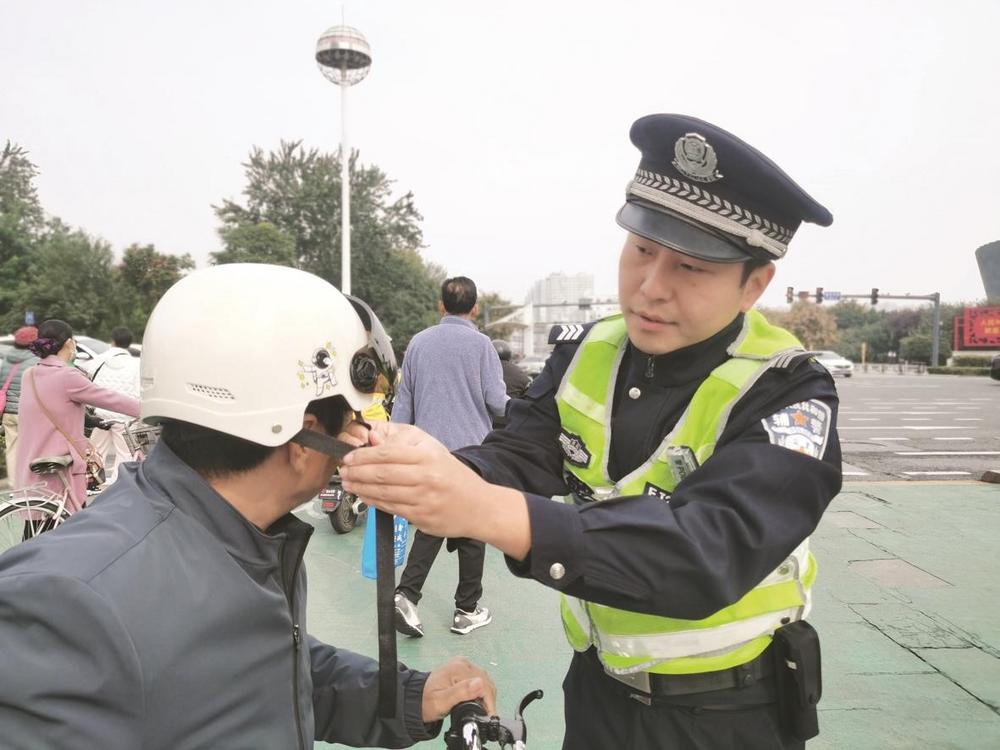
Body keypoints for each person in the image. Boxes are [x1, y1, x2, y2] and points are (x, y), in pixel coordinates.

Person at [341, 114, 842, 749]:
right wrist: (437, 472)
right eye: (642, 250)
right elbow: (523, 446)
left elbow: (708, 550)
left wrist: (484, 508)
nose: (650, 288)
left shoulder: (789, 390)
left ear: (755, 283)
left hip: (731, 711)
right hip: (598, 688)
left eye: (691, 268)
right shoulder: (589, 350)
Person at [0, 265, 495, 749]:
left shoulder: (249, 534)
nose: (363, 436)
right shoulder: (65, 607)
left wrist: (409, 697)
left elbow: (264, 674)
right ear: (305, 436)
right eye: (352, 417)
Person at [391, 276, 508, 638]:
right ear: (474, 308)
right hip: (473, 453)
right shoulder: (482, 345)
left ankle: (408, 595)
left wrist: (394, 446)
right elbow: (497, 401)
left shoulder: (419, 343)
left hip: (427, 451)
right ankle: (465, 609)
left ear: (441, 306)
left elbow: (404, 403)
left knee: (433, 521)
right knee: (472, 528)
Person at [15, 319, 140, 513]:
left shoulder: (29, 374)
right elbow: (110, 399)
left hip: (32, 461)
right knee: (67, 520)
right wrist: (148, 410)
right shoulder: (68, 376)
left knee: (40, 522)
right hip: (60, 462)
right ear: (68, 343)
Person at [88, 326, 142, 484]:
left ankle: (93, 482)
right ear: (130, 343)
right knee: (125, 454)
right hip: (125, 416)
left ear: (112, 341)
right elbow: (139, 391)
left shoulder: (99, 360)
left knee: (96, 451)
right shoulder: (136, 364)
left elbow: (89, 380)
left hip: (100, 414)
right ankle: (120, 486)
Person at [1, 326, 39, 481]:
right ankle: (30, 482)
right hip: (28, 412)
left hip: (8, 411)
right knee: (32, 448)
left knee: (12, 449)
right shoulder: (36, 360)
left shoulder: (6, 359)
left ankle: (15, 484)